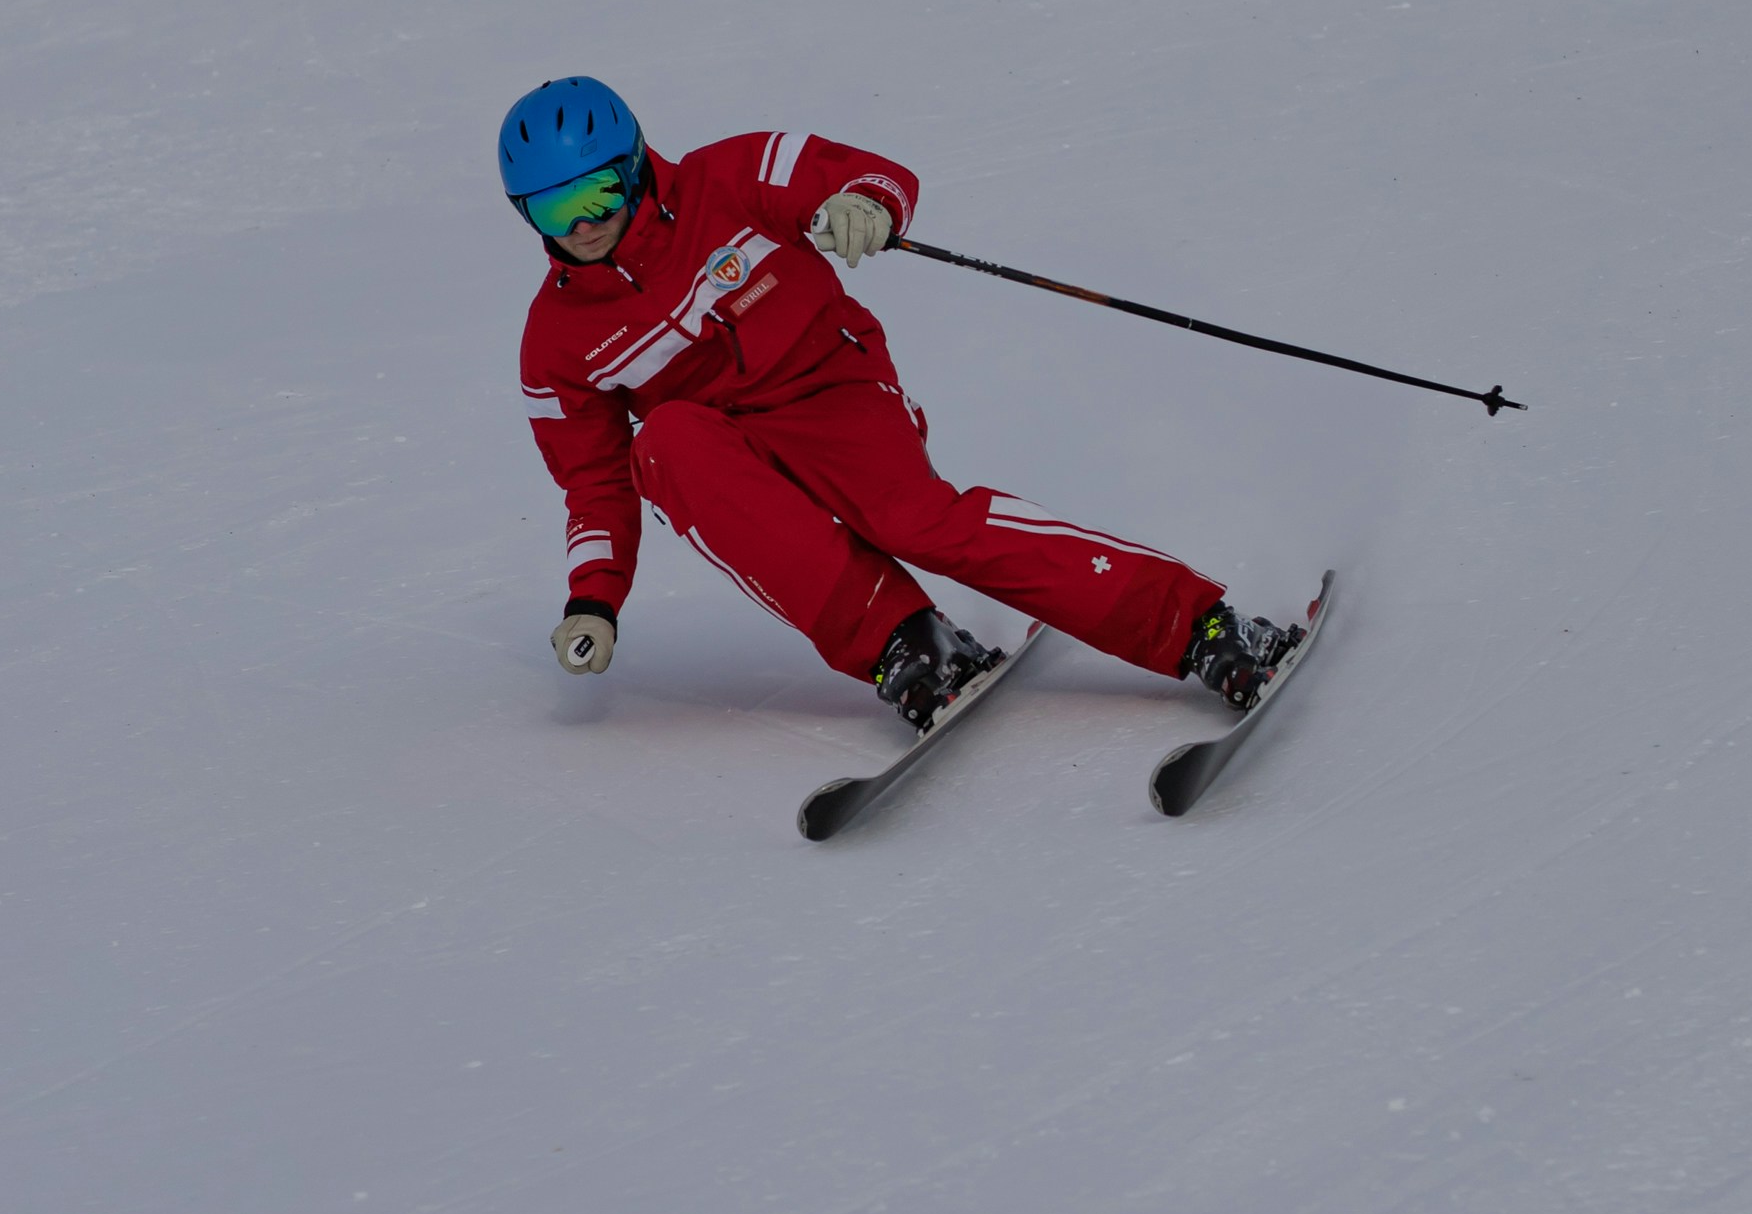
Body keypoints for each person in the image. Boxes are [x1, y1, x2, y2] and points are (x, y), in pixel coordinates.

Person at [501, 76, 1299, 729]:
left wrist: (865, 207)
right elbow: (593, 483)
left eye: (598, 194)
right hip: (725, 447)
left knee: (913, 521)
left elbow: (867, 173)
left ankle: (1201, 627)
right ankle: (908, 642)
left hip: (828, 387)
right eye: (552, 211)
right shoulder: (557, 341)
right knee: (663, 443)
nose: (583, 227)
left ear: (636, 164)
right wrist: (592, 601)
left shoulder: (730, 176)